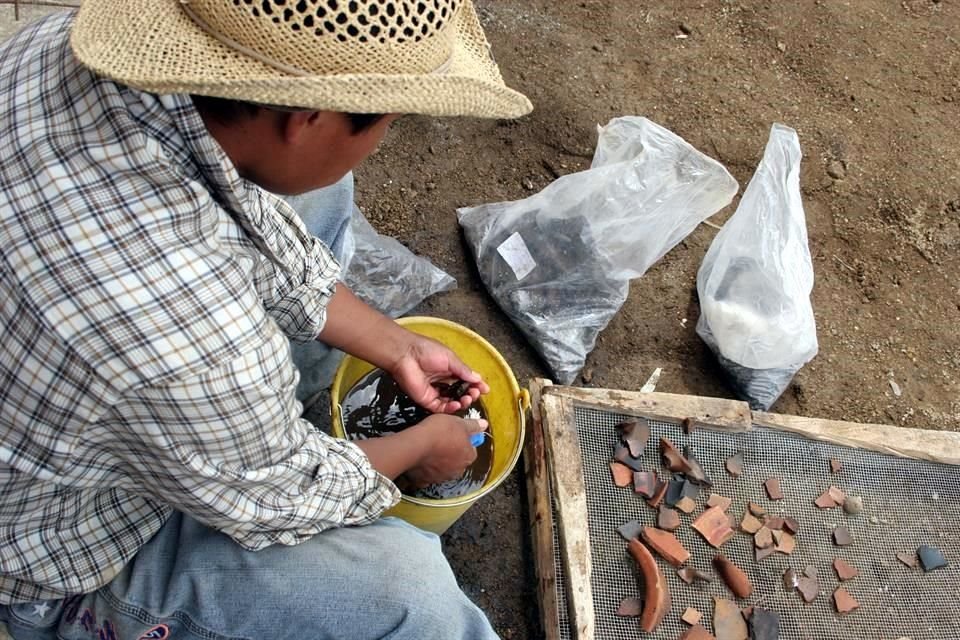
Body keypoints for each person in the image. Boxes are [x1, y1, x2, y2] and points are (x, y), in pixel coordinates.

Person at [0, 1, 531, 639]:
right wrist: (419, 448)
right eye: (386, 121)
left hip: (77, 379)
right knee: (416, 601)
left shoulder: (67, 41)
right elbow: (276, 500)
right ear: (306, 116)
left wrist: (396, 346)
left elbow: (248, 217)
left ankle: (274, 417)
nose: (382, 135)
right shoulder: (194, 332)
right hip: (52, 550)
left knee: (321, 190)